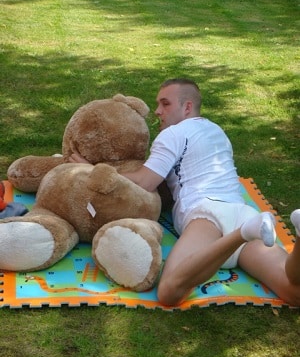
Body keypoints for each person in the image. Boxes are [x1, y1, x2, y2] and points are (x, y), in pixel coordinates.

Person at [70, 78, 300, 307]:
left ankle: (241, 234)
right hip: (244, 213)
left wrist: (91, 168)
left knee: (169, 292)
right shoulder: (217, 130)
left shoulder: (173, 134)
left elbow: (145, 182)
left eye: (165, 104)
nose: (158, 112)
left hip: (208, 215)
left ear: (187, 107)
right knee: (293, 293)